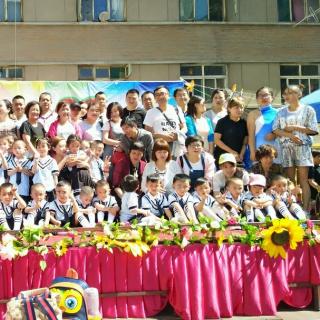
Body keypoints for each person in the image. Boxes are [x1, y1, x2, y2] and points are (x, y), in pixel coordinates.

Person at [273, 84, 319, 210]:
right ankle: (291, 208)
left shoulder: (308, 110)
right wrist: (289, 135)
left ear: (299, 95)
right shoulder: (281, 111)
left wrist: (295, 128)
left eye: (291, 92)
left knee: (303, 180)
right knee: (289, 180)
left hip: (303, 148)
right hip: (286, 149)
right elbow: (275, 129)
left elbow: (314, 130)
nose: (287, 96)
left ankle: (305, 210)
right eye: (286, 93)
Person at [144, 86, 185, 159]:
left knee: (176, 169)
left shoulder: (176, 110)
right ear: (155, 98)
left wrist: (177, 135)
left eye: (162, 93)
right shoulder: (150, 112)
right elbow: (147, 132)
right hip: (159, 148)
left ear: (168, 95)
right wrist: (163, 137)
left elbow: (184, 127)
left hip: (176, 148)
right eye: (157, 95)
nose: (160, 96)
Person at [247, 87, 279, 162]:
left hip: (276, 151)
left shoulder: (279, 113)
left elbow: (284, 131)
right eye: (260, 95)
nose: (263, 97)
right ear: (257, 99)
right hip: (260, 152)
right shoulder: (252, 114)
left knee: (275, 172)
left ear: (272, 97)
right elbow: (251, 136)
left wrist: (274, 134)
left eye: (266, 95)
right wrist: (252, 152)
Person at [214, 97, 248, 166]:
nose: (240, 110)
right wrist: (232, 152)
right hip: (223, 158)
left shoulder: (244, 123)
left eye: (241, 107)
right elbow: (217, 140)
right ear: (229, 108)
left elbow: (245, 143)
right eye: (236, 107)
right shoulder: (222, 122)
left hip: (238, 159)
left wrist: (241, 155)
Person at [308, 149, 320, 213]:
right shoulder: (311, 167)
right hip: (314, 196)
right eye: (318, 157)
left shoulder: (318, 167)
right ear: (313, 157)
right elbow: (311, 181)